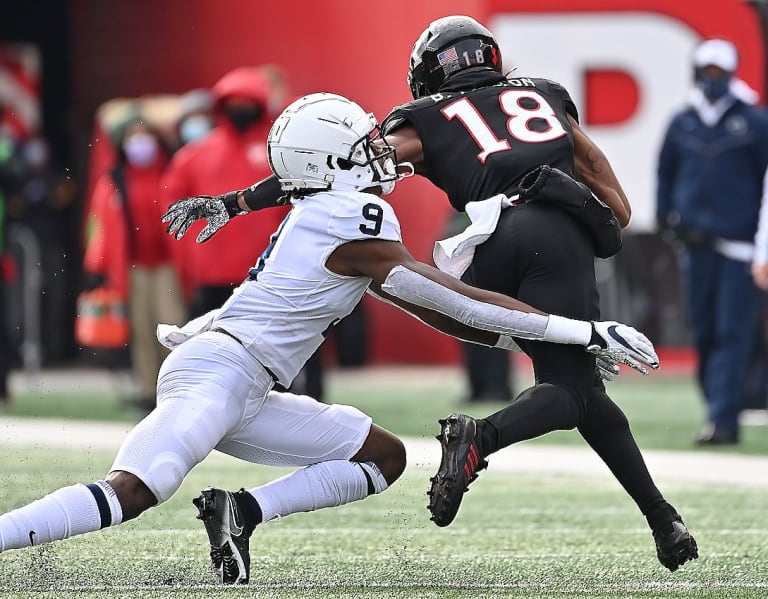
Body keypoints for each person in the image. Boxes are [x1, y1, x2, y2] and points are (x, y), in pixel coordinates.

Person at [0, 93, 658, 589]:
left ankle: (241, 510)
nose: (380, 153)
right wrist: (583, 329)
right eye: (364, 147)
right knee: (135, 489)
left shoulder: (332, 210)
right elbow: (450, 294)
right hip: (220, 371)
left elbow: (443, 311)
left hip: (249, 384)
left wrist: (530, 340)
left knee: (381, 456)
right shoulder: (354, 215)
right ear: (335, 163)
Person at [160, 17, 698, 573]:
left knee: (580, 389)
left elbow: (336, 167)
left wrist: (237, 202)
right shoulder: (542, 95)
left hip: (486, 246)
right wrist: (599, 215)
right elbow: (605, 185)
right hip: (553, 237)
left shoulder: (423, 118)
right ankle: (479, 438)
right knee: (569, 389)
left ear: (428, 71)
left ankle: (663, 519)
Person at [657, 38, 768, 444]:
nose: (713, 80)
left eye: (720, 73)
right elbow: (665, 172)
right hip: (696, 243)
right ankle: (715, 406)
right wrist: (667, 218)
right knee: (703, 329)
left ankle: (724, 418)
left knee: (732, 331)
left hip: (739, 244)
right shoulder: (682, 120)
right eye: (709, 71)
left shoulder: (754, 122)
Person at [83, 116, 187, 413]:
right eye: (133, 137)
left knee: (171, 326)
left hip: (168, 263)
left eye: (145, 137)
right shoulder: (114, 180)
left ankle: (174, 388)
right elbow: (99, 226)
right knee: (141, 329)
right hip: (132, 266)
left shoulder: (172, 172)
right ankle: (146, 391)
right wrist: (96, 266)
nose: (140, 144)